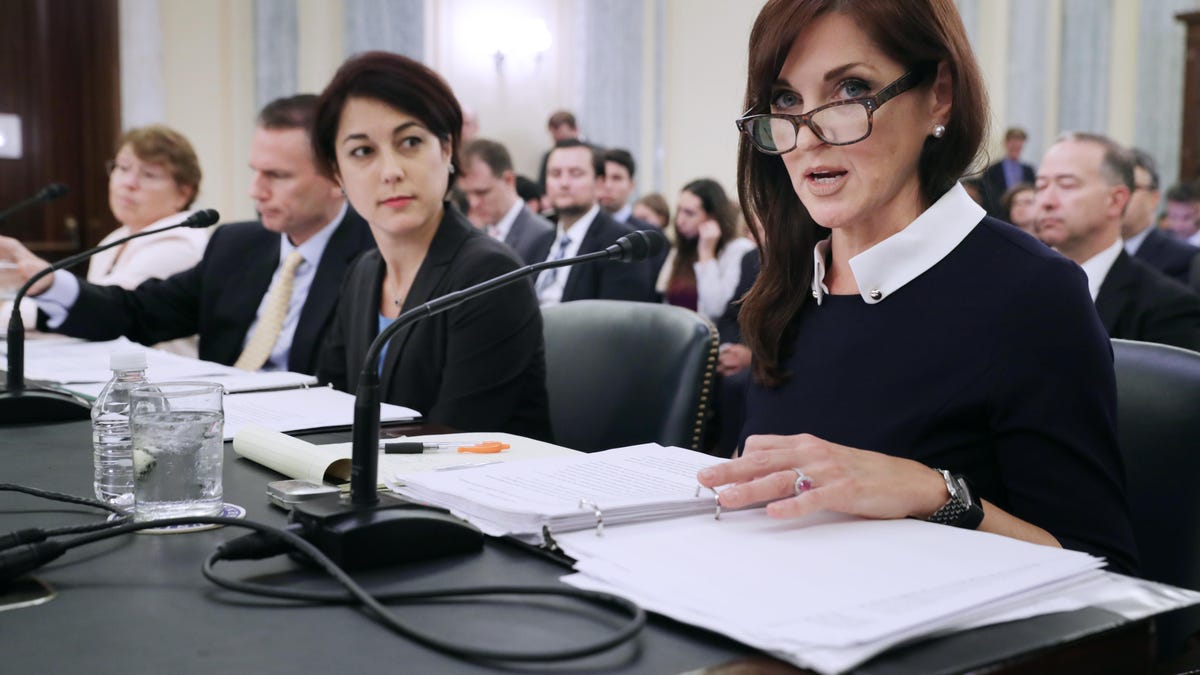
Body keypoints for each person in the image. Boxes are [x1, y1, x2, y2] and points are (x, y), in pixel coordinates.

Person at [696, 0, 1138, 575]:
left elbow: (1103, 570)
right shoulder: (783, 277)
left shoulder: (1032, 293)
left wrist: (933, 492)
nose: (806, 137)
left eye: (851, 89)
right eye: (785, 100)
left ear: (940, 95)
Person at [0, 95, 375, 375]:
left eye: (277, 176)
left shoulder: (374, 254)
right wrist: (49, 284)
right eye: (255, 172)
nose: (255, 191)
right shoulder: (237, 244)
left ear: (337, 177)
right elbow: (137, 314)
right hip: (229, 425)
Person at [311, 51, 550, 439]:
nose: (391, 171)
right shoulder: (364, 272)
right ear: (338, 173)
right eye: (362, 151)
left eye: (410, 142)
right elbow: (332, 407)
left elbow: (453, 440)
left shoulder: (489, 274)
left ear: (447, 149)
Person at [1035, 132, 1200, 352]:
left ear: (1116, 200)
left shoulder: (1167, 307)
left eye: (1066, 185)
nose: (1046, 201)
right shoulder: (1015, 284)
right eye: (1040, 186)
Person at [89, 125, 211, 356]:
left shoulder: (180, 244)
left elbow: (104, 311)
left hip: (163, 382)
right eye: (123, 168)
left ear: (183, 193)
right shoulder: (114, 239)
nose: (129, 183)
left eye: (149, 175)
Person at [533, 138, 654, 305]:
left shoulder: (622, 246)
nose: (564, 183)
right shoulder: (540, 241)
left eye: (576, 173)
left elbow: (616, 323)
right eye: (555, 174)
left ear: (599, 183)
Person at [657, 179, 755, 319]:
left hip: (710, 338)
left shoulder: (738, 250)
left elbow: (715, 308)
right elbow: (663, 296)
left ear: (713, 217)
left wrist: (707, 253)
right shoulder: (681, 250)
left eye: (689, 213)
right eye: (679, 210)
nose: (680, 220)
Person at [458, 138, 554, 265]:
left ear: (509, 180)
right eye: (467, 193)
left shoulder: (542, 235)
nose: (473, 203)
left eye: (482, 192)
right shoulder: (479, 234)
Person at [1122, 148, 1200, 286]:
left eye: (1131, 187)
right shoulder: (1079, 253)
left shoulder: (1187, 260)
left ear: (1154, 198)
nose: (1117, 196)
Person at [980, 127, 1036, 218]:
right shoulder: (992, 171)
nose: (1016, 146)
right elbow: (987, 198)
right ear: (1006, 143)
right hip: (999, 217)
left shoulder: (1029, 170)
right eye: (1013, 142)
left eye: (1019, 143)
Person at [598, 148, 640, 224]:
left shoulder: (645, 234)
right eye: (603, 178)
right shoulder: (577, 231)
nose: (608, 185)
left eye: (616, 178)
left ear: (631, 185)